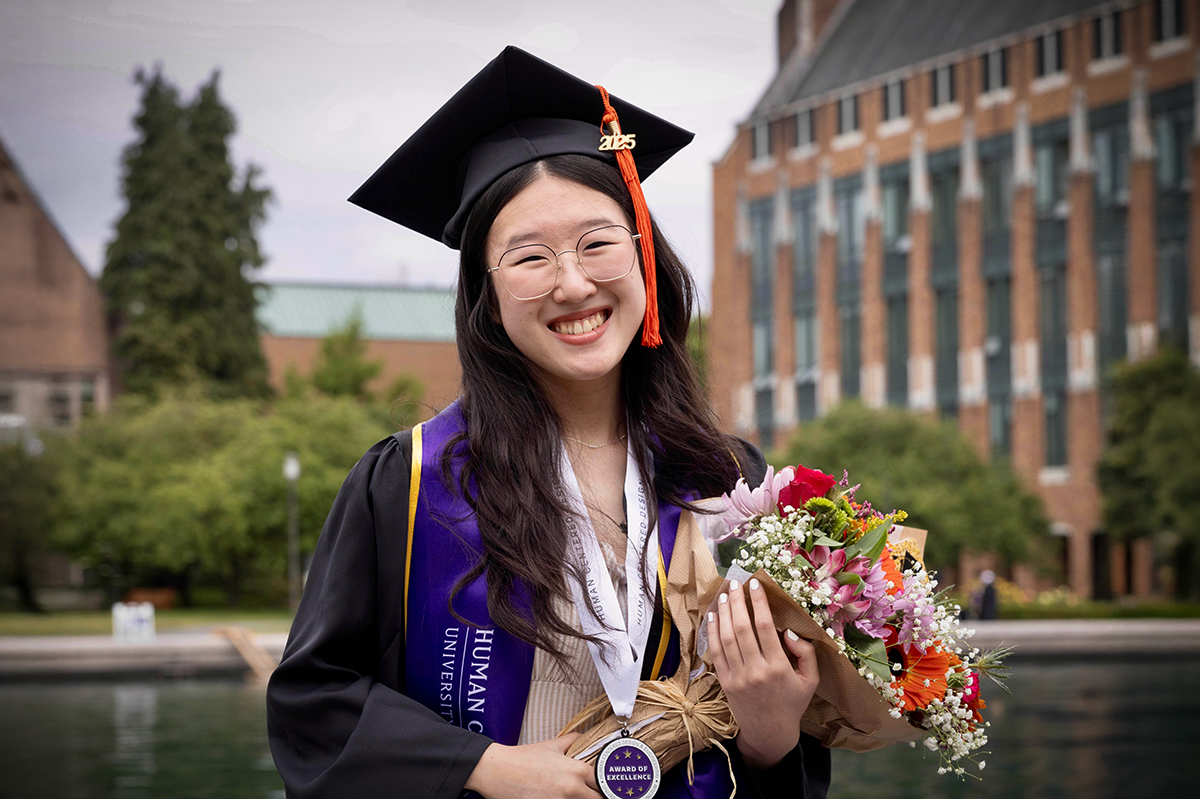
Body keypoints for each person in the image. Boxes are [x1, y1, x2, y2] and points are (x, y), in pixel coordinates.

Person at [266, 46, 831, 799]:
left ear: (644, 259)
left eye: (599, 243)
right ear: (485, 297)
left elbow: (787, 739)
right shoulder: (407, 486)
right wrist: (484, 765)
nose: (573, 282)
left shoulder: (727, 481)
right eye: (529, 257)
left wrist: (770, 736)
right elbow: (313, 705)